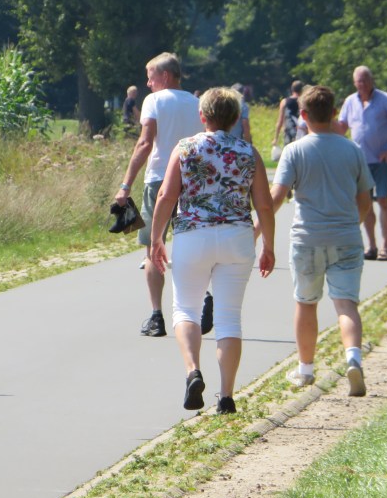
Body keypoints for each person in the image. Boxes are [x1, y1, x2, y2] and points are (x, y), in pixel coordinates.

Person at [149, 88, 275, 414]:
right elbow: (264, 204)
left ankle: (193, 370)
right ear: (235, 118)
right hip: (237, 238)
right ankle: (227, 396)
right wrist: (269, 245)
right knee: (229, 318)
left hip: (193, 236)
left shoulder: (185, 148)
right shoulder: (248, 152)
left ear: (202, 116)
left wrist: (156, 238)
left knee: (185, 310)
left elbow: (166, 195)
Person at [270, 85, 373, 397]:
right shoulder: (352, 150)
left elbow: (276, 198)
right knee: (346, 304)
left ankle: (305, 369)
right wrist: (351, 224)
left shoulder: (294, 151)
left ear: (303, 115)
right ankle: (353, 359)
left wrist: (257, 230)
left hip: (307, 237)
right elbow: (365, 200)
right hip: (346, 236)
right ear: (335, 113)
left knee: (306, 302)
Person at [114, 53, 203, 337]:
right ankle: (202, 301)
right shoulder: (198, 103)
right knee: (190, 246)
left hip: (159, 180)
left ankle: (156, 316)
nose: (148, 83)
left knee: (154, 247)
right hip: (191, 180)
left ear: (165, 76)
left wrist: (126, 184)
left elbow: (145, 143)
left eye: (151, 77)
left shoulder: (154, 101)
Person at [335, 66, 387, 262]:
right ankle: (372, 246)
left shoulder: (384, 99)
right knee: (364, 204)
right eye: (359, 80)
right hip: (359, 161)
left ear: (372, 80)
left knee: (383, 200)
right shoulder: (350, 101)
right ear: (354, 83)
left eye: (366, 79)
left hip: (382, 159)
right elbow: (342, 126)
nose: (363, 84)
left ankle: (386, 246)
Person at [272, 80, 304, 150]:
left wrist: (276, 138)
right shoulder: (304, 102)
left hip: (289, 132)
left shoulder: (285, 102)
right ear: (302, 90)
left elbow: (280, 121)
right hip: (302, 133)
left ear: (292, 89)